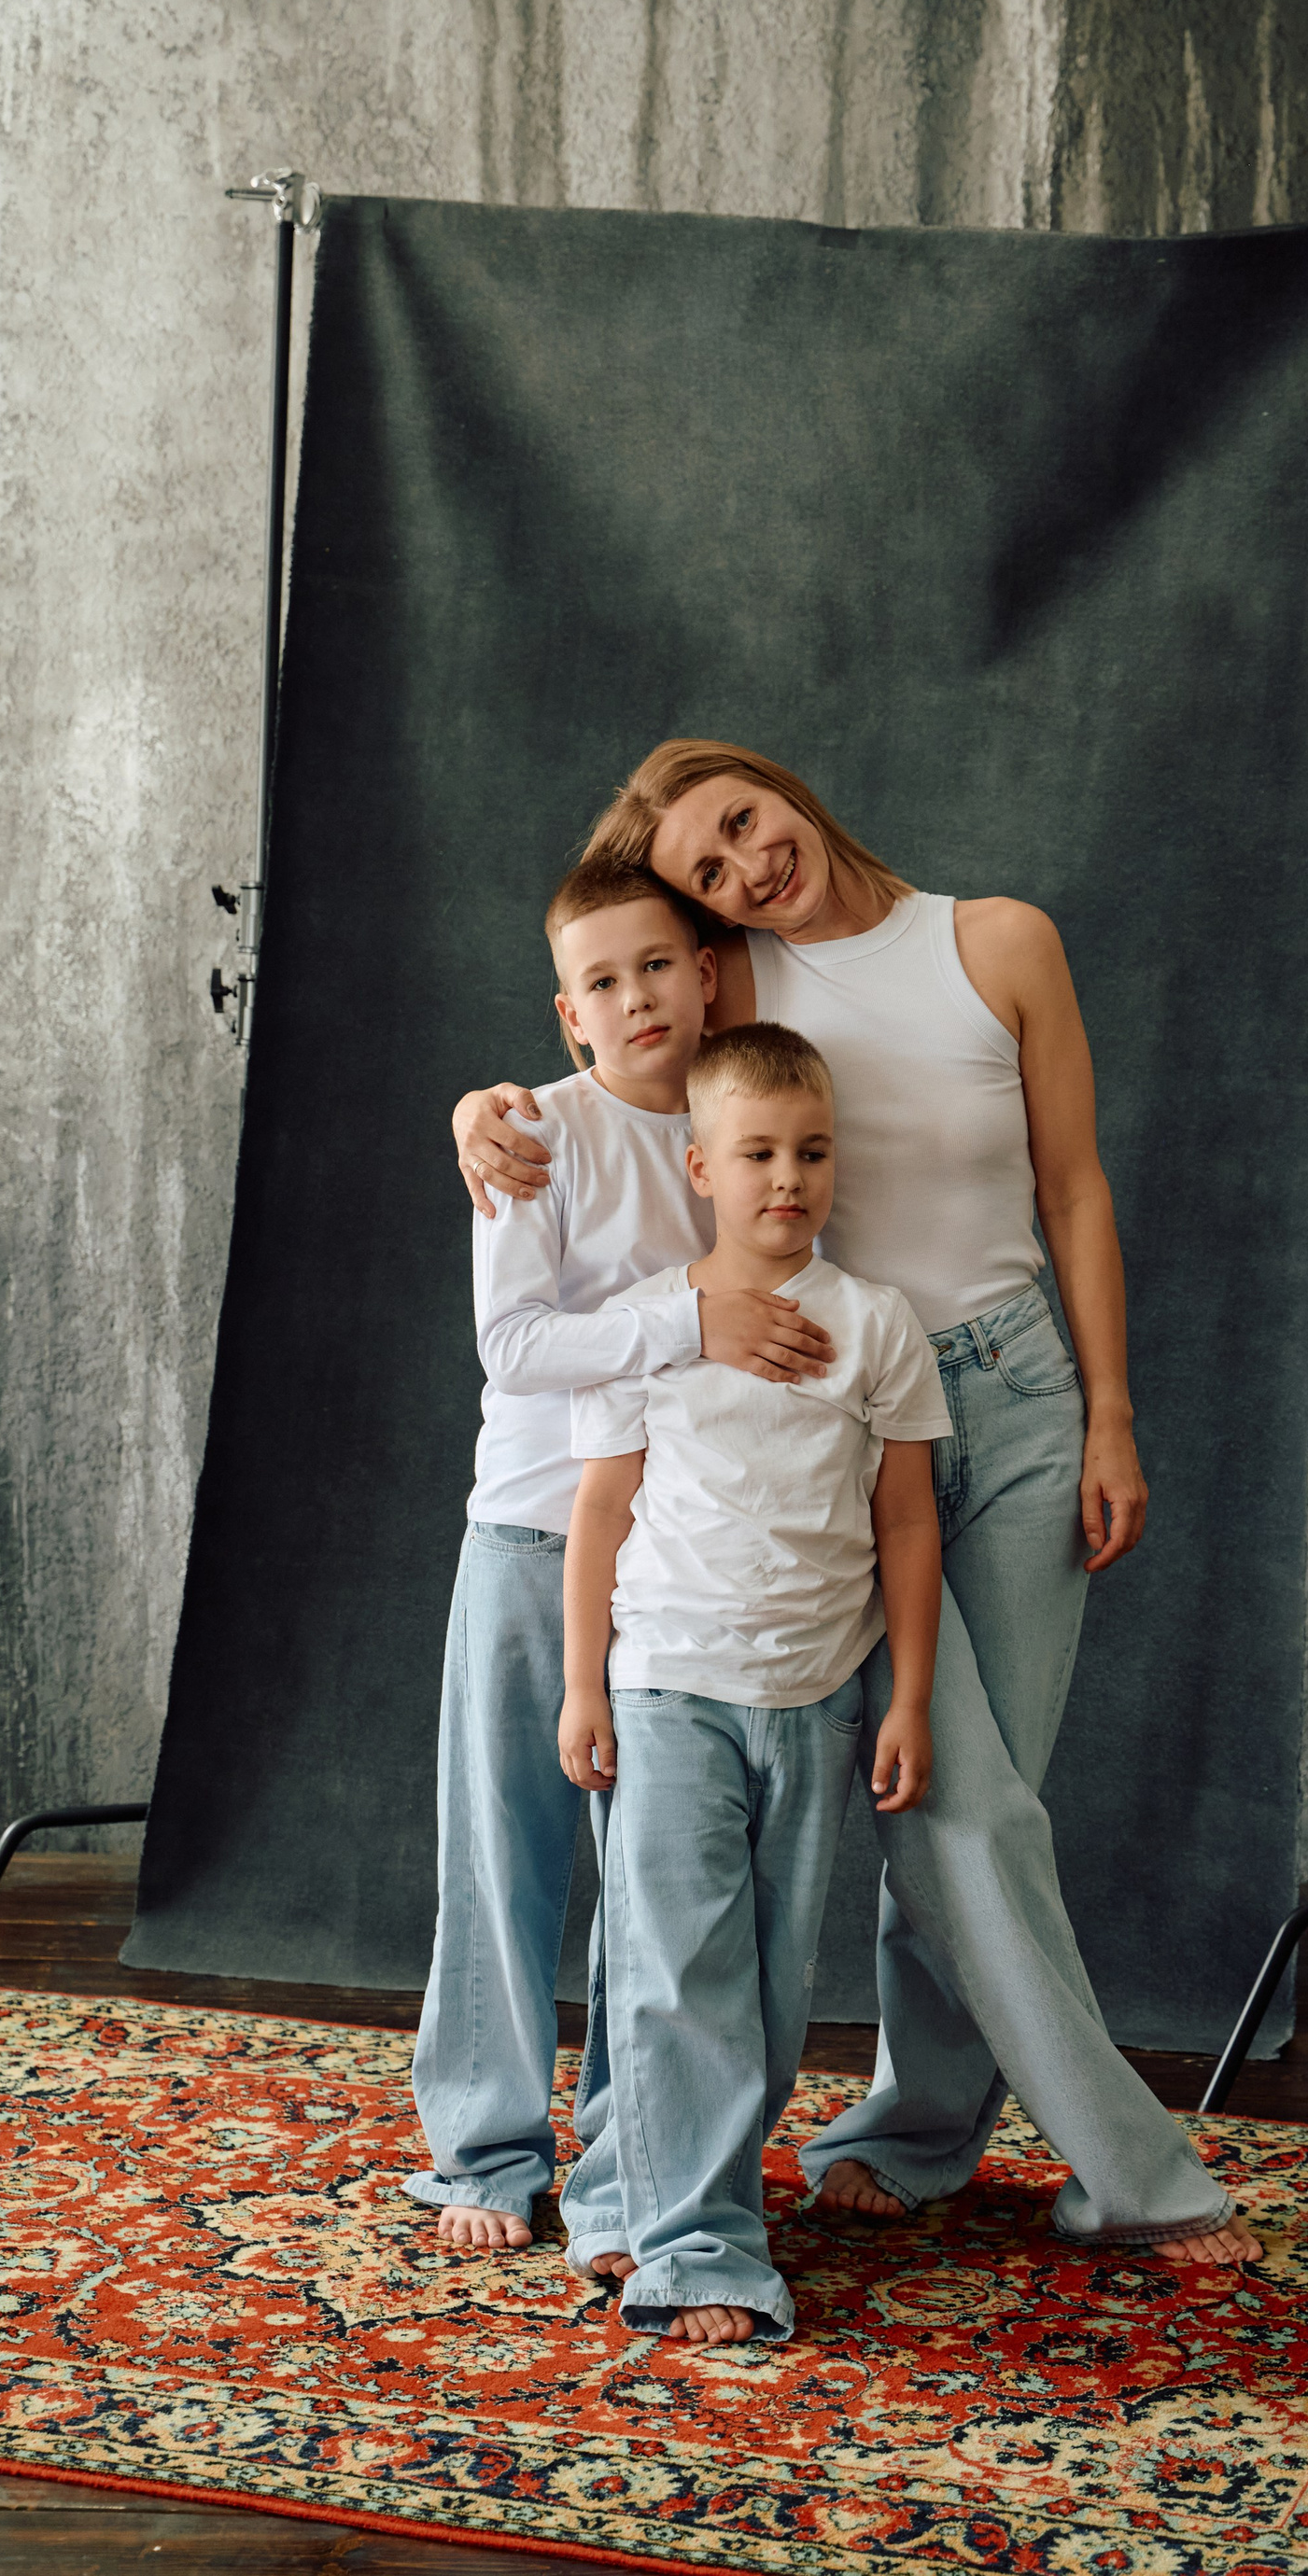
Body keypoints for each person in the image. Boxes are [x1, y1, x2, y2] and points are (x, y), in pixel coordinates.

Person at [453, 740, 1259, 2265]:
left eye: (745, 824)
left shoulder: (1000, 942)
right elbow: (616, 1053)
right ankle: (1134, 2172)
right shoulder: (740, 986)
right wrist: (481, 1112)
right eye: (710, 874)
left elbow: (1075, 1187)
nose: (749, 868)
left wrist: (1109, 1411)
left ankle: (917, 2127)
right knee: (949, 1803)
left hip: (1015, 1395)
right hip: (833, 1409)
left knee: (977, 1796)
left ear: (785, 789)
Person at [407, 855, 836, 2253]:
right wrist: (689, 1324)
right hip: (534, 1528)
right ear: (568, 1012)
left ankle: (626, 2167)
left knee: (652, 1893)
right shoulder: (535, 1133)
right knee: (505, 1852)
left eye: (657, 965)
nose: (636, 996)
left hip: (680, 1564)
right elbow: (515, 1343)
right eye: (602, 980)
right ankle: (485, 2152)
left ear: (705, 974)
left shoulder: (739, 1127)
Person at [556, 1022, 949, 2343]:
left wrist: (906, 1696)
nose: (788, 1177)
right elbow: (599, 1515)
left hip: (815, 1698)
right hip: (668, 1686)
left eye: (812, 1152)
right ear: (702, 1166)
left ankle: (618, 2190)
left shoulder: (875, 1325)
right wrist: (584, 1688)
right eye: (759, 1153)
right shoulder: (648, 1328)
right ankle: (701, 2249)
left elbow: (907, 1523)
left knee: (771, 1988)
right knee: (677, 1972)